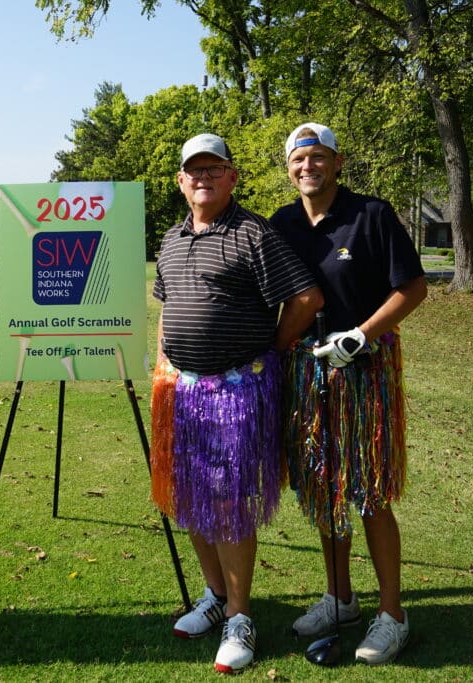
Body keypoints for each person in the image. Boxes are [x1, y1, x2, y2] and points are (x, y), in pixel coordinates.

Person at [150, 134, 323, 673]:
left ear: (232, 177)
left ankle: (240, 616)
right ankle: (215, 594)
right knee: (190, 500)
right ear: (180, 181)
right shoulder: (172, 239)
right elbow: (167, 307)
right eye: (193, 171)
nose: (202, 178)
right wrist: (163, 362)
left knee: (227, 504)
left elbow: (306, 298)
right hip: (183, 390)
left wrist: (272, 346)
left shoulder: (253, 233)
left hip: (236, 392)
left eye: (213, 169)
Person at [270, 123, 427, 665]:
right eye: (298, 159)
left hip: (364, 372)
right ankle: (340, 599)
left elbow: (413, 287)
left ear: (337, 162)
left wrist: (362, 334)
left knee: (370, 492)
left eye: (318, 157)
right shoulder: (283, 223)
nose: (307, 167)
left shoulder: (372, 214)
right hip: (307, 374)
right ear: (289, 168)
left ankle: (392, 615)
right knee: (324, 489)